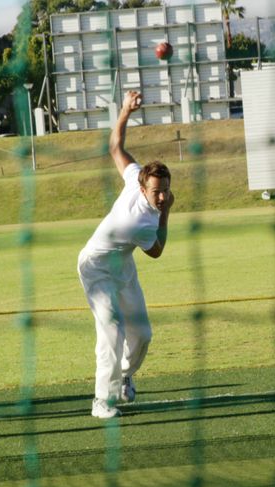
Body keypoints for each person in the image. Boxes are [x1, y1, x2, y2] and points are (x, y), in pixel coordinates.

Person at [78, 90, 173, 419]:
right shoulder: (142, 221)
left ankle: (123, 378)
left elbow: (115, 147)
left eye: (166, 191)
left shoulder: (135, 177)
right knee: (112, 330)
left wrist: (125, 111)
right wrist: (168, 214)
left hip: (123, 266)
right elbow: (158, 251)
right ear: (144, 188)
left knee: (143, 334)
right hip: (96, 268)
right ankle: (102, 401)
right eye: (157, 192)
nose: (162, 197)